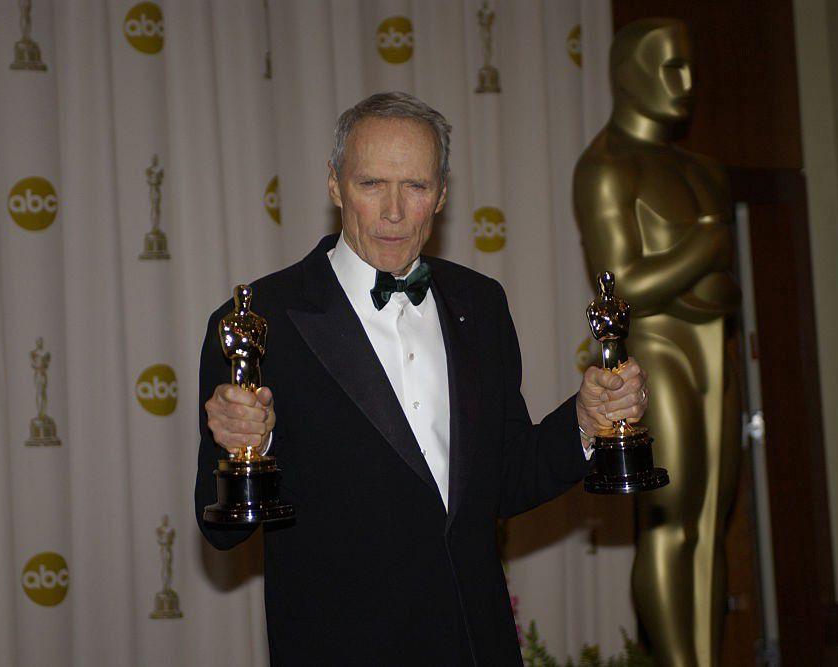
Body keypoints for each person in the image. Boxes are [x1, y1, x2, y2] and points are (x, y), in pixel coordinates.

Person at [196, 91, 649, 666]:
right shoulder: (261, 322)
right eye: (371, 184)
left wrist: (584, 423)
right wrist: (247, 449)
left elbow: (505, 478)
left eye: (415, 186)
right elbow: (221, 530)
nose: (393, 211)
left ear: (441, 194)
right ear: (335, 184)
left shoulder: (480, 304)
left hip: (478, 647)